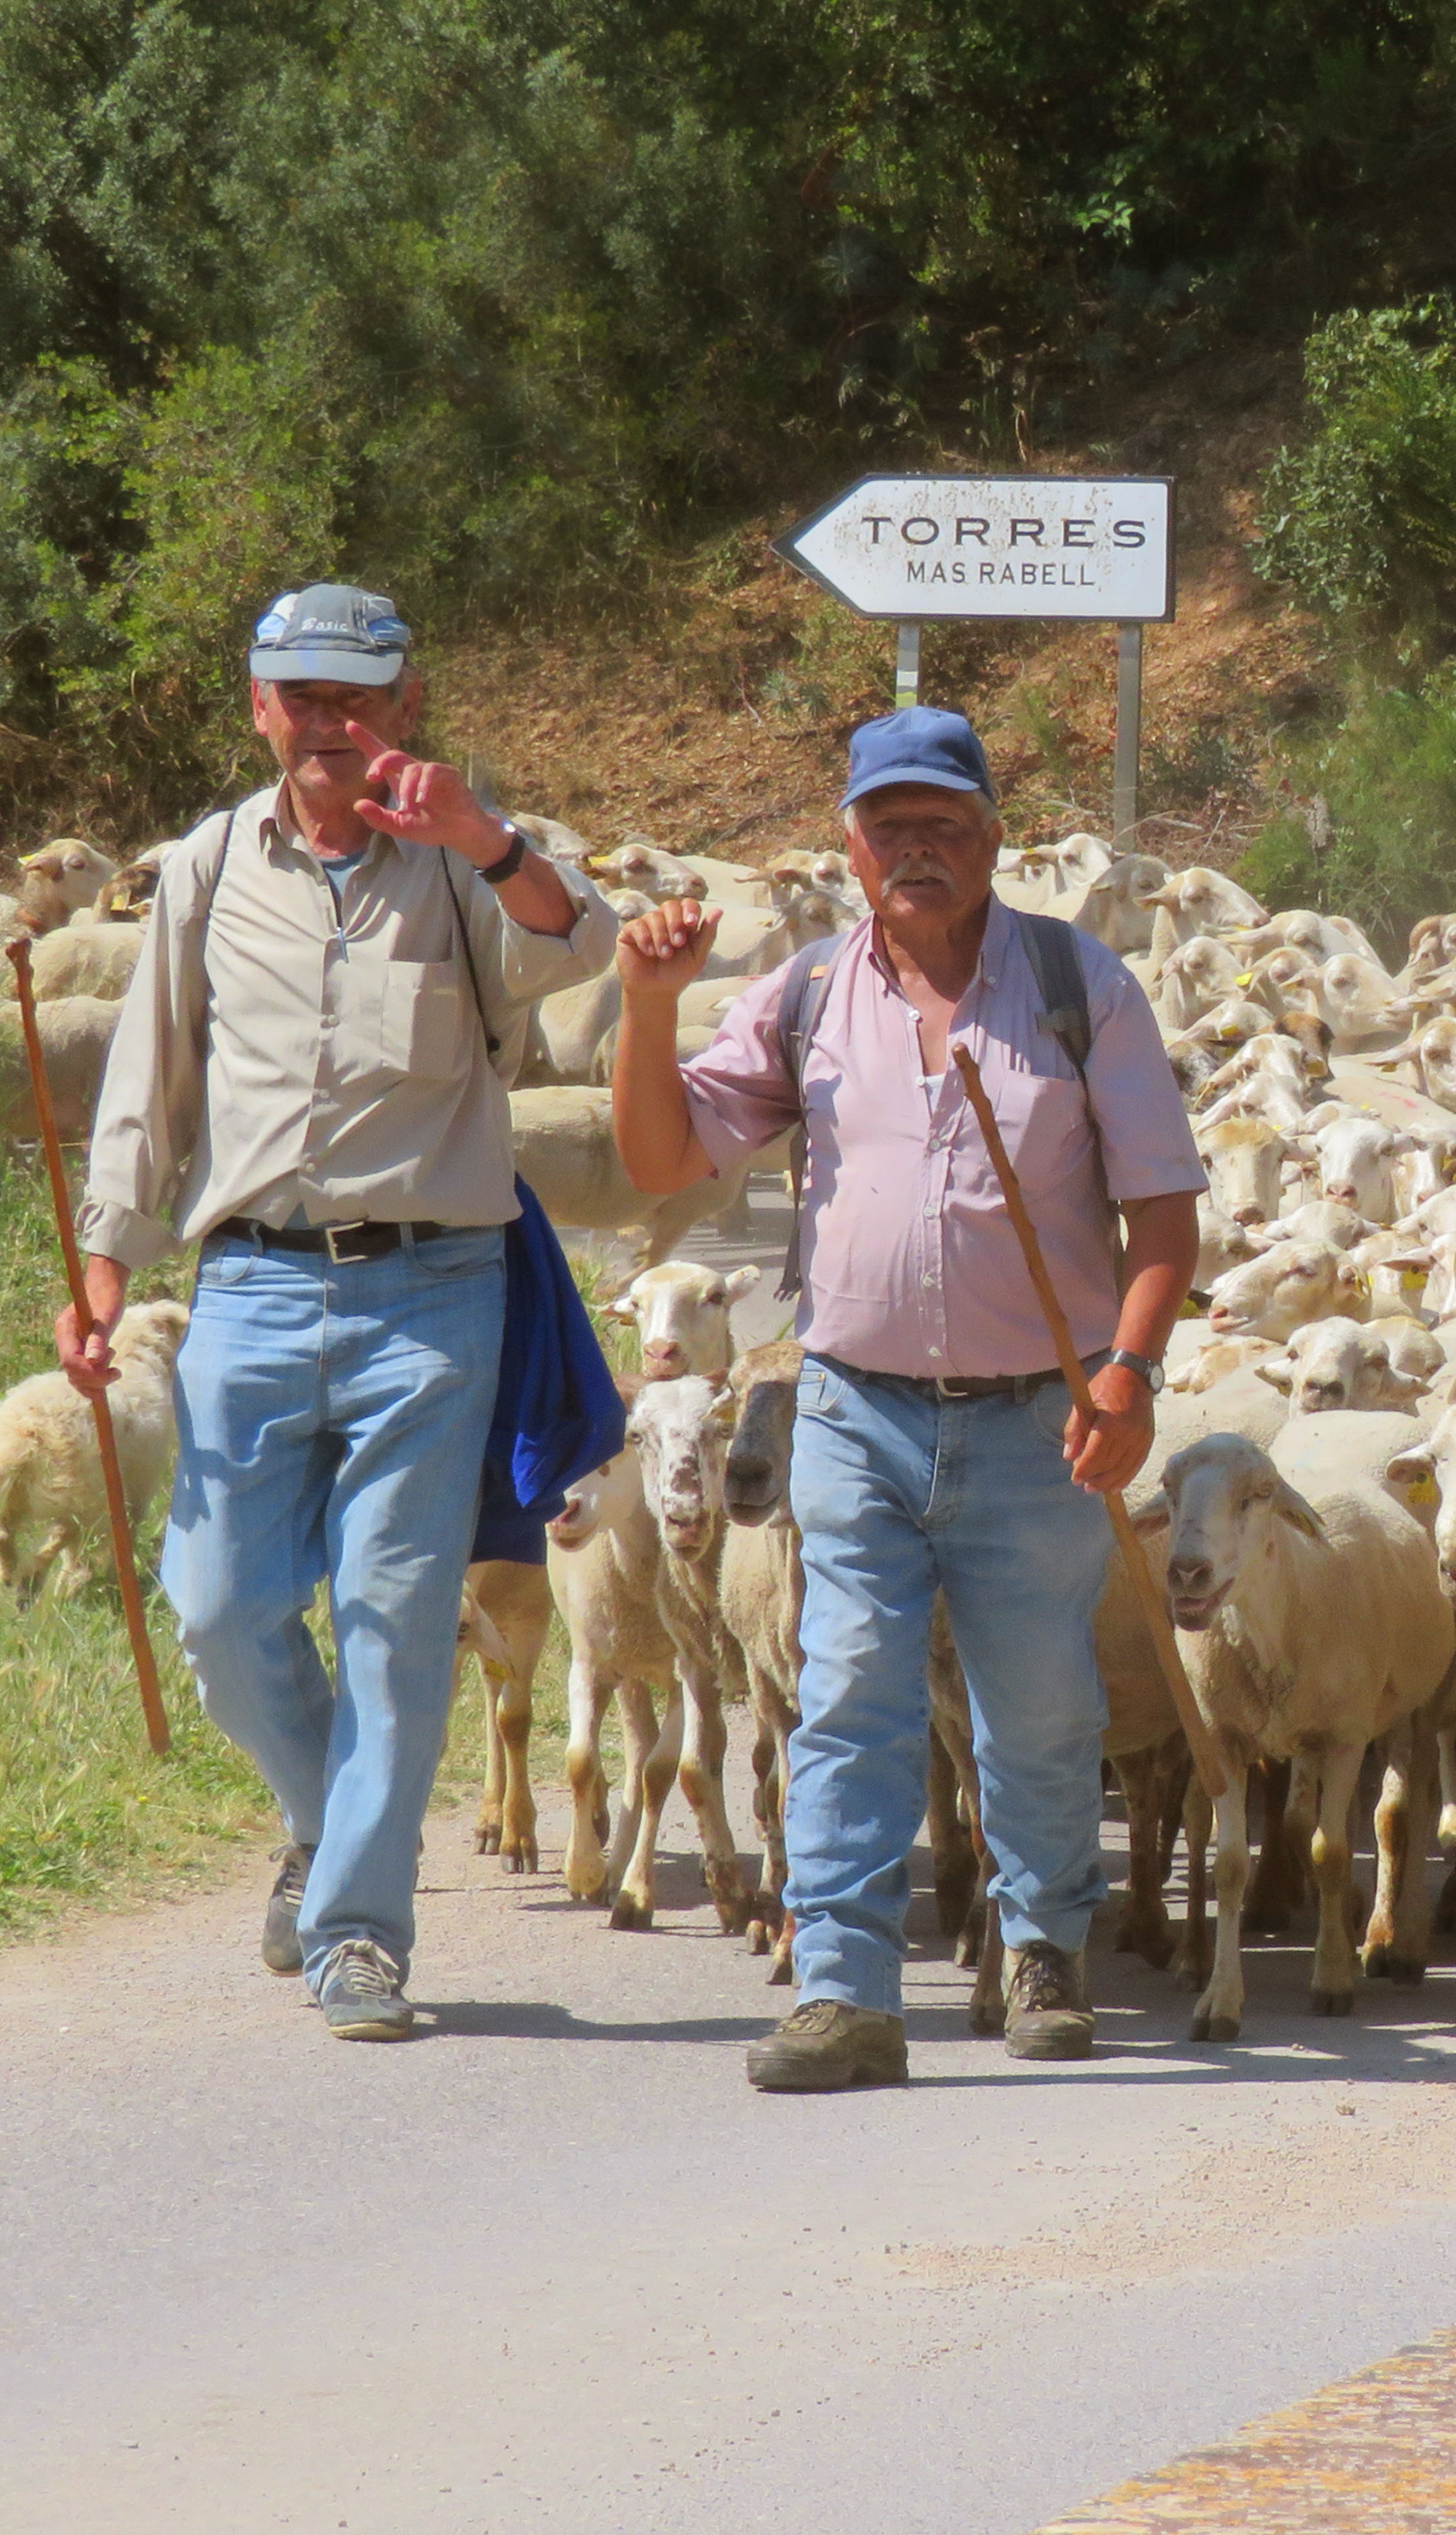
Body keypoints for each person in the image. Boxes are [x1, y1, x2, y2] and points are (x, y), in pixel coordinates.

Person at [611, 707, 1203, 2089]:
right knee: (847, 1690)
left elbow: (1164, 1216)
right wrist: (647, 1008)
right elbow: (656, 1157)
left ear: (996, 835)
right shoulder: (809, 994)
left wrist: (1129, 1372)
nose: (916, 851)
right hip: (853, 1407)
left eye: (944, 825)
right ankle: (845, 1990)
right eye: (890, 829)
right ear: (850, 843)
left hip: (1030, 1418)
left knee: (1040, 1701)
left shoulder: (1077, 986)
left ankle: (1046, 1949)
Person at [66, 584, 618, 2040]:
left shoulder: (456, 865)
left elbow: (579, 945)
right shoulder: (205, 865)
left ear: (407, 705)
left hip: (436, 1295)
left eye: (358, 697)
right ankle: (327, 1831)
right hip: (247, 1285)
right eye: (302, 697)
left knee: (391, 1619)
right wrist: (105, 1267)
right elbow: (149, 1074)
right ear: (259, 708)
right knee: (219, 1606)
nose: (331, 724)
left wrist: (486, 839)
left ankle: (361, 1933)